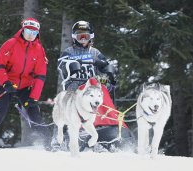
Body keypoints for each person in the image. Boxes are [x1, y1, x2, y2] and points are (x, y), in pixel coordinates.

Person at [51, 21, 134, 152]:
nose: (83, 39)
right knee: (68, 105)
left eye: (86, 36)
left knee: (103, 95)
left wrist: (108, 72)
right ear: (74, 37)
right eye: (80, 36)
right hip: (75, 85)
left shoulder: (95, 52)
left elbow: (105, 64)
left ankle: (110, 128)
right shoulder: (68, 52)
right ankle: (58, 139)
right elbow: (62, 65)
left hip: (93, 85)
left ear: (91, 37)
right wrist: (73, 65)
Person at [0, 18, 48, 148]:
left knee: (34, 111)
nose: (31, 36)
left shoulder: (39, 49)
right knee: (1, 112)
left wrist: (34, 97)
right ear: (22, 30)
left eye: (34, 33)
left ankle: (48, 144)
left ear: (38, 34)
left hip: (26, 86)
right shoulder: (11, 44)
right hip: (8, 84)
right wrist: (5, 83)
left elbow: (40, 75)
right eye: (28, 32)